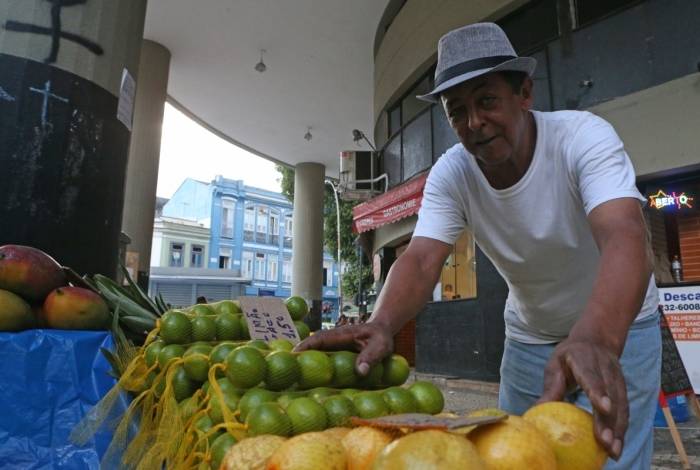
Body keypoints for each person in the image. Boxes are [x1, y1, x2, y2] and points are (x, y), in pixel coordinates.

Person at [296, 23, 661, 468]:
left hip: (619, 327)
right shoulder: (453, 173)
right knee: (511, 457)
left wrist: (598, 338)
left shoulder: (582, 138)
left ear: (524, 93)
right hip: (530, 336)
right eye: (457, 111)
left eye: (487, 101)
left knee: (610, 460)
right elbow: (422, 258)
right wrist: (383, 321)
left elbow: (626, 235)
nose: (473, 124)